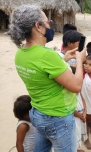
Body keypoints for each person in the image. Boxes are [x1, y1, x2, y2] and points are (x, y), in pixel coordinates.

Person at [9, 5, 85, 152]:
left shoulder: (21, 53)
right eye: (48, 22)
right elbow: (76, 86)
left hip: (39, 114)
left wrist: (62, 60)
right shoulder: (47, 56)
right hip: (59, 117)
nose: (50, 25)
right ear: (38, 26)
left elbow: (42, 74)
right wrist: (80, 61)